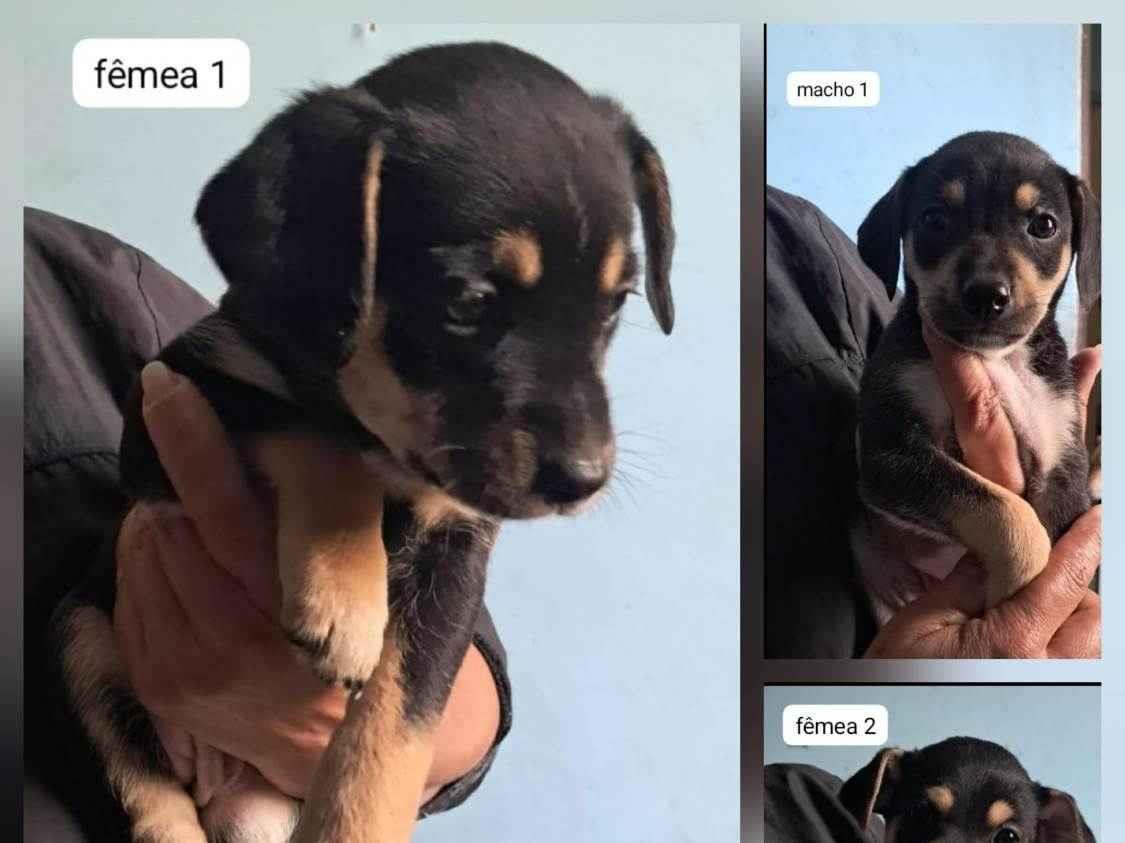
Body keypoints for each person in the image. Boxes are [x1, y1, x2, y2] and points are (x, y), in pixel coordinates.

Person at [24, 208, 512, 840]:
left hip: (279, 789)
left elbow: (457, 644)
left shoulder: (88, 282)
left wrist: (397, 741)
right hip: (122, 744)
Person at [764, 186, 1101, 659]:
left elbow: (1068, 516)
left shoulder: (808, 245)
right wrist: (1009, 536)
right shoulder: (902, 347)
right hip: (866, 609)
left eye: (1041, 226)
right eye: (938, 223)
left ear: (1081, 249)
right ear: (897, 240)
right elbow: (886, 466)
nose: (989, 279)